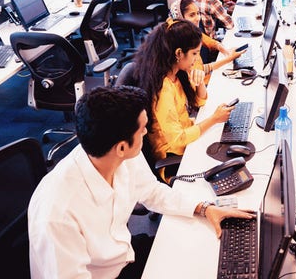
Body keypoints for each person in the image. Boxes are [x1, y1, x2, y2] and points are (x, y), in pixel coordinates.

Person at [28, 85, 253, 278]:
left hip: (124, 256)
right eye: (143, 129)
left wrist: (204, 208)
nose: (147, 132)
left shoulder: (116, 154)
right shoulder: (57, 212)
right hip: (105, 273)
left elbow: (152, 191)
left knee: (205, 254)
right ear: (122, 147)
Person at [132, 19, 234, 182]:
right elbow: (178, 141)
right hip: (174, 159)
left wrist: (200, 82)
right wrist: (214, 119)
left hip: (187, 138)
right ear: (179, 53)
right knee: (228, 165)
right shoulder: (163, 88)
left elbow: (200, 102)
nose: (197, 58)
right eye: (194, 53)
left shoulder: (177, 73)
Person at [170, 0, 245, 85]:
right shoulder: (180, 40)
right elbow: (199, 70)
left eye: (198, 13)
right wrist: (229, 58)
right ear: (180, 17)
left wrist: (226, 51)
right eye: (192, 15)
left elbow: (211, 42)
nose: (197, 18)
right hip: (198, 85)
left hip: (203, 79)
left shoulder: (190, 31)